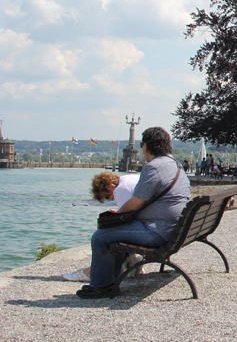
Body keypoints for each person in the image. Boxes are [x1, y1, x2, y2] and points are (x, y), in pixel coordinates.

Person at [76, 127, 191, 299]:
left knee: (100, 236)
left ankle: (102, 286)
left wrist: (115, 217)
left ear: (145, 146)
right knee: (115, 232)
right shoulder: (176, 164)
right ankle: (110, 281)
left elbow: (135, 203)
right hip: (174, 228)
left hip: (159, 231)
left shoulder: (154, 167)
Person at [62, 171, 141, 282]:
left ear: (109, 186)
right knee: (112, 228)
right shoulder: (128, 180)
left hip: (150, 229)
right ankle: (114, 268)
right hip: (161, 225)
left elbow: (128, 217)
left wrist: (116, 217)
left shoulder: (120, 189)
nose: (112, 199)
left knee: (101, 236)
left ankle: (91, 273)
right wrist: (119, 214)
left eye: (108, 196)